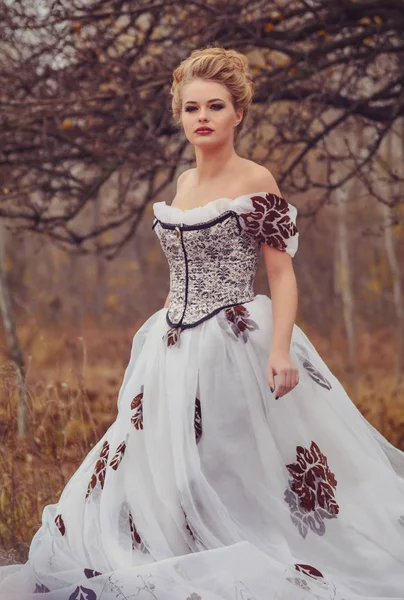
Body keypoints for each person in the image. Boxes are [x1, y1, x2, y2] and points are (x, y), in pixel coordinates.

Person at [1, 46, 404, 600]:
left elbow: (282, 276)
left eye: (215, 106)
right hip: (171, 347)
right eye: (192, 108)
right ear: (180, 115)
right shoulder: (184, 183)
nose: (203, 118)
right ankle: (179, 556)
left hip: (234, 341)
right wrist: (167, 332)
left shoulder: (255, 178)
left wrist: (281, 349)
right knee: (162, 467)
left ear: (238, 113)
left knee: (233, 464)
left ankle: (255, 556)